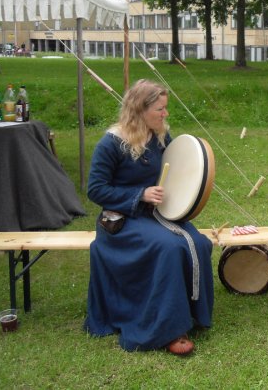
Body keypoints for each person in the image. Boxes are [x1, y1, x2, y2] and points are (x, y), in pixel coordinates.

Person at [85, 79, 214, 354]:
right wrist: (140, 194)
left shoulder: (160, 137)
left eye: (165, 108)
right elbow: (95, 190)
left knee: (199, 242)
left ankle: (193, 314)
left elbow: (177, 168)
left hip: (155, 215)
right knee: (168, 247)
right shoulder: (111, 144)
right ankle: (170, 329)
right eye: (160, 109)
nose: (165, 113)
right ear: (139, 110)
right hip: (121, 220)